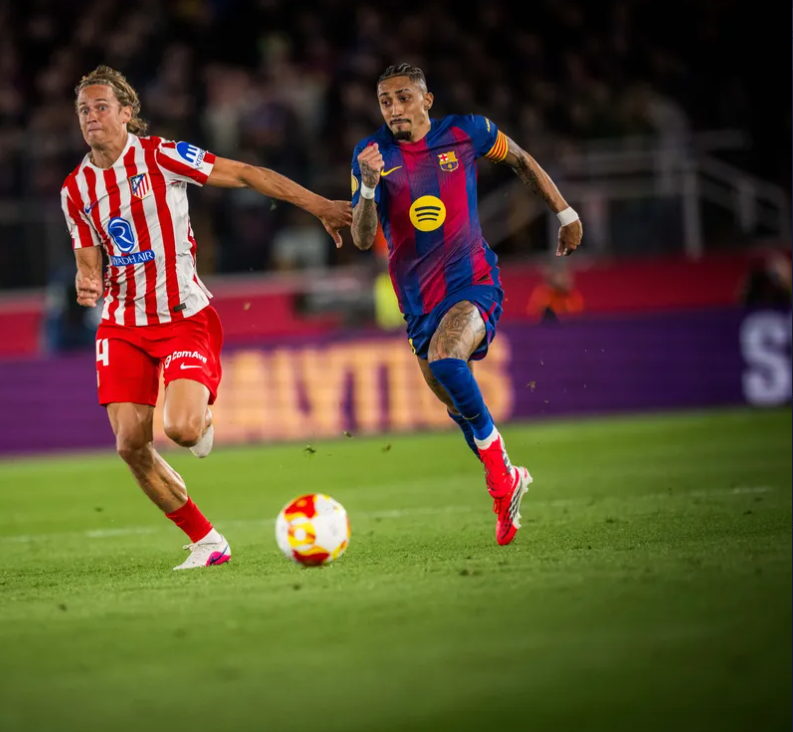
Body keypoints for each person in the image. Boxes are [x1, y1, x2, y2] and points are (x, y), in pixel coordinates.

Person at [62, 65, 351, 570]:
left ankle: (202, 415)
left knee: (184, 431)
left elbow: (244, 173)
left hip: (181, 316)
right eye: (84, 109)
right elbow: (89, 259)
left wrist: (320, 204)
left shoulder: (161, 156)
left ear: (128, 113)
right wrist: (87, 279)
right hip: (122, 324)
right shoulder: (76, 190)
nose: (91, 117)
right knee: (130, 445)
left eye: (102, 107)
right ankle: (208, 542)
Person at [349, 63, 583, 546]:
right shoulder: (370, 155)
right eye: (385, 101)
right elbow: (363, 236)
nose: (394, 108)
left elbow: (519, 159)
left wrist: (564, 211)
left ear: (426, 100)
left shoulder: (466, 132)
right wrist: (369, 186)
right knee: (454, 400)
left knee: (447, 358)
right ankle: (508, 477)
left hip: (473, 282)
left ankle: (500, 478)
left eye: (403, 97)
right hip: (418, 302)